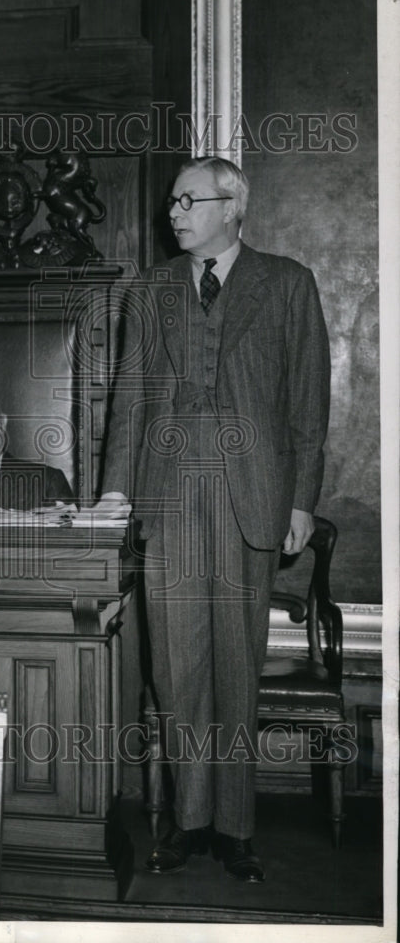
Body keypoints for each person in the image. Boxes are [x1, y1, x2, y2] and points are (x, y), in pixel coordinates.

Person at [99, 156, 330, 883]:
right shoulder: (148, 290)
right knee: (177, 671)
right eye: (171, 201)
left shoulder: (286, 283)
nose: (173, 213)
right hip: (167, 499)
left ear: (233, 207)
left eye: (187, 201)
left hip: (249, 498)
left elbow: (306, 404)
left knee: (235, 669)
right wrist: (114, 494)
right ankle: (188, 822)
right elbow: (128, 398)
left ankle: (235, 828)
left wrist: (299, 500)